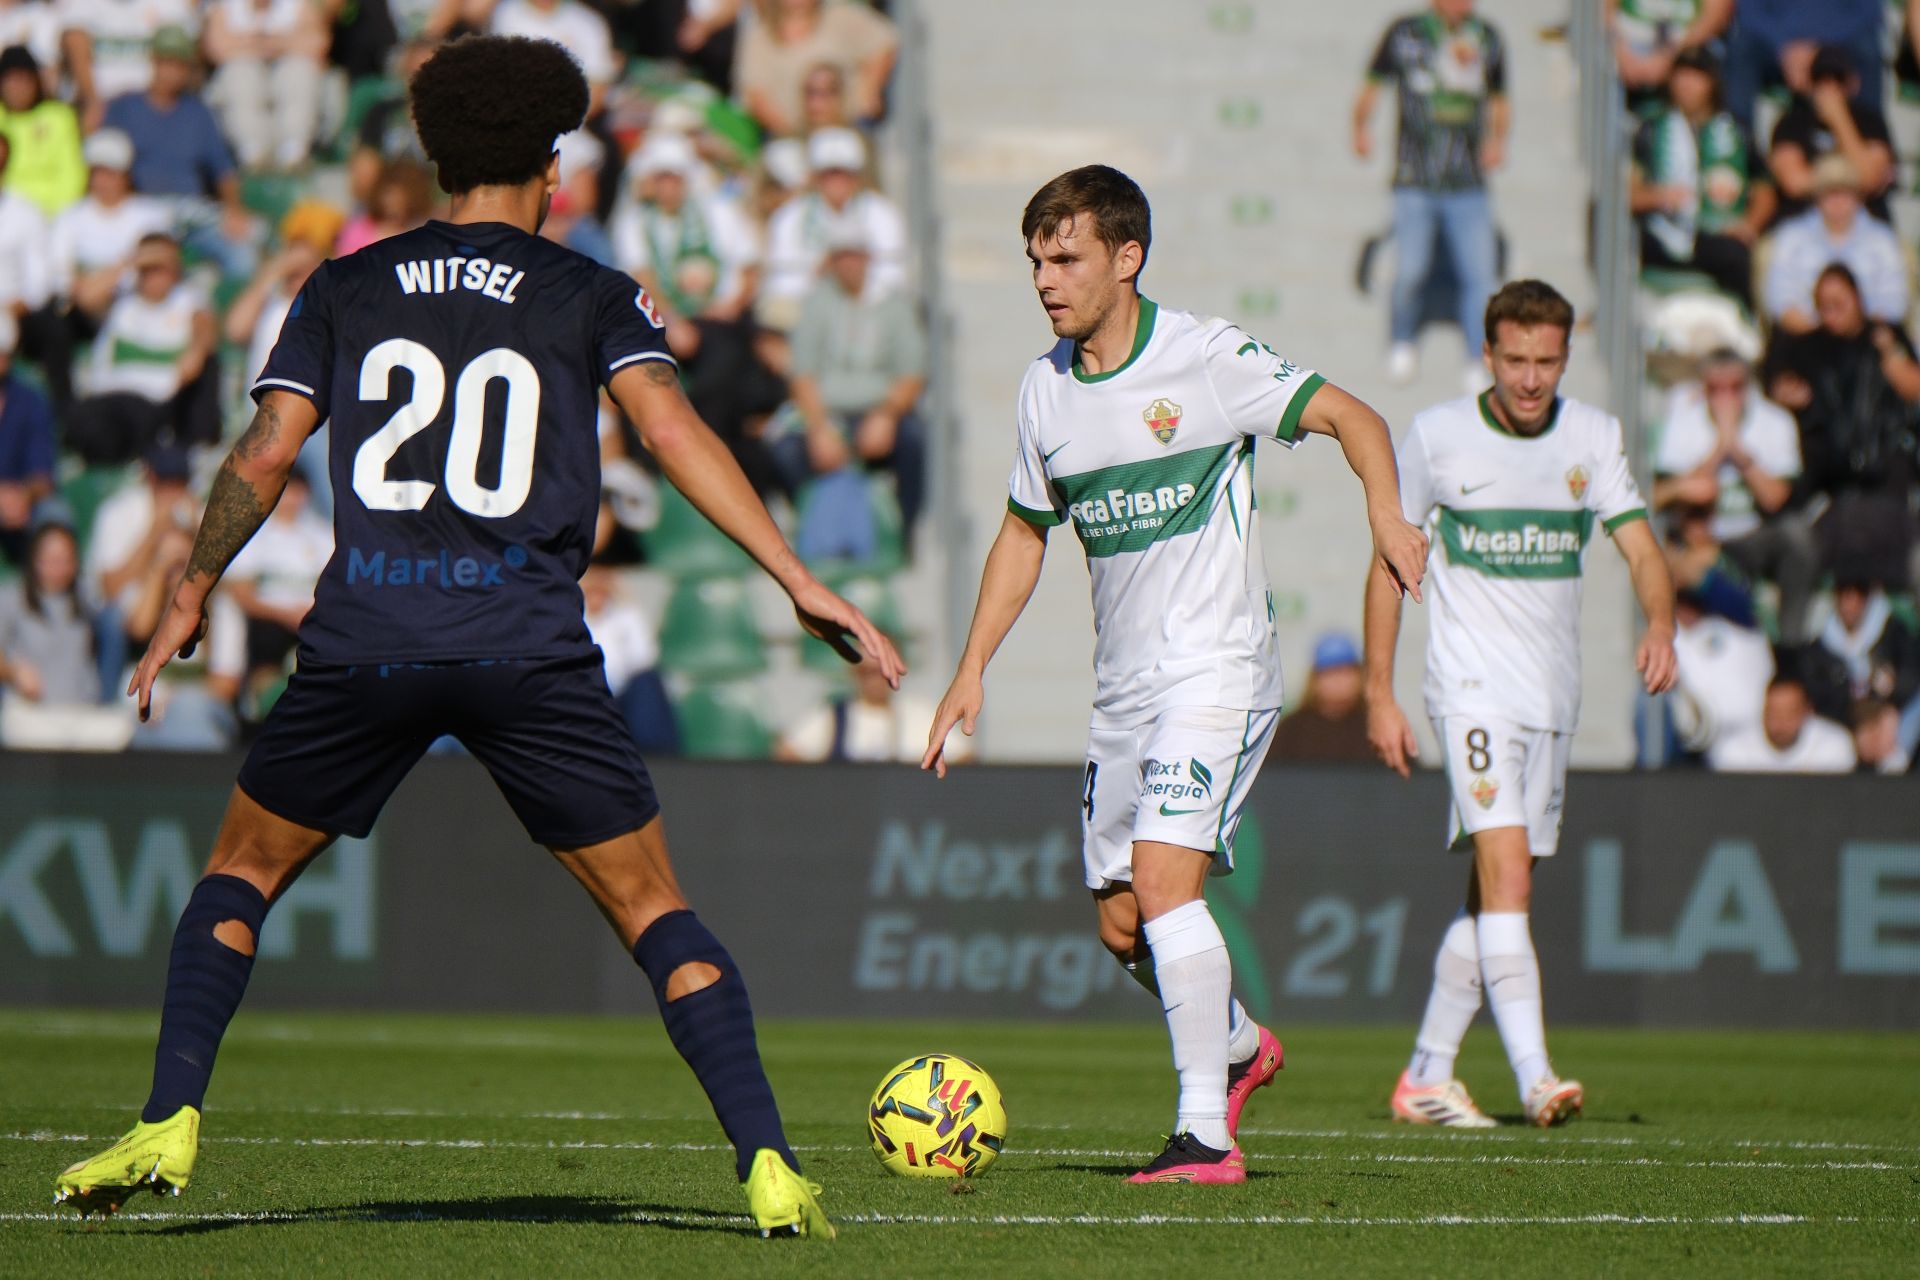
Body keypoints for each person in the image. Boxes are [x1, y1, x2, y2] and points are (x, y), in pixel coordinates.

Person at [51, 35, 900, 1240]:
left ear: (438, 160)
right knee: (652, 906)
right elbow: (672, 432)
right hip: (526, 646)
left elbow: (268, 450)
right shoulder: (591, 290)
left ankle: (167, 1117)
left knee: (238, 873)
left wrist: (191, 587)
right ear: (551, 166)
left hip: (367, 636)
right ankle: (767, 1161)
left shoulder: (344, 284)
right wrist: (800, 578)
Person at [922, 165, 1429, 1182]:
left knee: (1162, 883)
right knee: (1122, 923)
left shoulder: (1207, 357)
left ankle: (1206, 1134)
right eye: (1035, 260)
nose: (1045, 279)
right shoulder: (1044, 388)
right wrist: (971, 666)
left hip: (1218, 667)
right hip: (1124, 689)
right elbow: (1023, 534)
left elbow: (1357, 419)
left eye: (1065, 258)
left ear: (1127, 256)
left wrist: (1385, 511)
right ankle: (1236, 1041)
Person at [1366, 280, 1676, 1129]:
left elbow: (1642, 549)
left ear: (1566, 357)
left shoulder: (1593, 436)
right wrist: (1379, 691)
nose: (1531, 378)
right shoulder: (1438, 436)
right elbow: (1389, 564)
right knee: (1506, 876)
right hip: (1471, 691)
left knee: (1494, 892)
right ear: (1488, 355)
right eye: (1515, 360)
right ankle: (1536, 1077)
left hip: (1551, 699)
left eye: (1547, 361)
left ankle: (1425, 1076)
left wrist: (1660, 623)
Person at [1352, 0, 1508, 392]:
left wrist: (1497, 139)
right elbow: (1373, 82)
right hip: (1415, 178)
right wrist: (1360, 126)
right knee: (1410, 269)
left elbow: (1498, 97)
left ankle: (1477, 355)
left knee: (1480, 275)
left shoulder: (1487, 38)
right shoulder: (1405, 34)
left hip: (1468, 182)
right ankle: (1402, 338)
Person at [1764, 264, 1920, 592]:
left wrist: (1889, 354)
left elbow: (1913, 388)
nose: (1832, 314)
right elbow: (1774, 377)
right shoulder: (1808, 346)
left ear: (1858, 300)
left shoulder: (1885, 336)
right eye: (1824, 307)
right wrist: (1785, 390)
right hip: (1831, 478)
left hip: (1885, 469)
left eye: (1839, 304)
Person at [779, 222, 926, 557]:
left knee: (914, 440)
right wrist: (819, 427)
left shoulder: (894, 304)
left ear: (868, 258)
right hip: (826, 411)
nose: (849, 264)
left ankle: (903, 535)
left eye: (855, 255)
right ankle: (811, 530)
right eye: (841, 256)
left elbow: (913, 372)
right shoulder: (817, 302)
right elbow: (802, 373)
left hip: (879, 409)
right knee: (784, 451)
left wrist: (887, 415)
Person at [1651, 348, 1813, 641]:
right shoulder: (1684, 422)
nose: (1726, 398)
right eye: (1716, 389)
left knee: (1799, 539)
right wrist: (1718, 450)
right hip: (1699, 537)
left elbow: (1775, 499)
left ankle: (1792, 643)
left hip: (1754, 535)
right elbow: (1672, 490)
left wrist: (1738, 451)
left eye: (1735, 388)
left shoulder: (1775, 422)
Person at [101, 25, 258, 281]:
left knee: (245, 252)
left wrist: (234, 210)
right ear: (153, 62)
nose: (172, 72)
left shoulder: (198, 113)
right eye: (166, 63)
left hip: (190, 211)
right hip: (142, 209)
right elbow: (106, 163)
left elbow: (223, 169)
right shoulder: (124, 107)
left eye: (179, 65)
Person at [1629, 46, 1772, 302]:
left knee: (1737, 257)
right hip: (1663, 231)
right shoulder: (1651, 130)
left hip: (1718, 235)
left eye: (1696, 77)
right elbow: (1630, 192)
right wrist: (1659, 197)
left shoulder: (1737, 132)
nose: (1687, 85)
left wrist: (1749, 225)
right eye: (1681, 75)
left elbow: (1764, 187)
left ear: (1712, 83)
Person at [64, 232, 219, 464]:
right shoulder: (121, 301)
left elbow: (206, 329)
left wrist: (196, 351)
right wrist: (130, 262)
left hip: (154, 403)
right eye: (148, 267)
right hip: (107, 397)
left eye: (160, 267)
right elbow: (85, 297)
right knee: (81, 419)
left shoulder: (187, 300)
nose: (153, 275)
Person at [760, 125, 904, 329]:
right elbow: (781, 282)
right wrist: (820, 278)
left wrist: (851, 279)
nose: (836, 182)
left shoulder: (881, 213)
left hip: (869, 313)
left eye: (843, 174)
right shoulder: (790, 217)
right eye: (828, 174)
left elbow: (894, 275)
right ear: (814, 177)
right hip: (808, 313)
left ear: (857, 176)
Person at [1762, 155, 1905, 332]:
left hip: (1865, 338)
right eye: (1829, 194)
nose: (1837, 202)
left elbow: (1892, 301)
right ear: (1817, 198)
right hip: (1806, 336)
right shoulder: (1791, 236)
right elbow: (1781, 299)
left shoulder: (1881, 239)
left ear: (1858, 197)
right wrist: (1819, 335)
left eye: (1844, 193)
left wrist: (1857, 333)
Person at [1767, 45, 1896, 225]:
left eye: (1838, 79)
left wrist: (1839, 120)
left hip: (1863, 222)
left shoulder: (1871, 122)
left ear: (1853, 83)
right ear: (1810, 84)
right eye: (1821, 80)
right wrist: (1846, 178)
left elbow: (1868, 178)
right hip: (1803, 220)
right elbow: (1794, 182)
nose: (1830, 87)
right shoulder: (1790, 122)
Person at [202, 0, 332, 172]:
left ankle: (293, 151)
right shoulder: (226, 9)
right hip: (247, 75)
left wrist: (254, 43)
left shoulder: (299, 6)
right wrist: (280, 44)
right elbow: (216, 49)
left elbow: (318, 44)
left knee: (299, 71)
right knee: (240, 74)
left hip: (285, 73)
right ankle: (252, 152)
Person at [735, 0, 896, 139]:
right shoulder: (760, 37)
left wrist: (869, 90)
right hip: (792, 137)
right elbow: (754, 93)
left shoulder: (841, 17)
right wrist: (793, 137)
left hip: (852, 129)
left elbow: (885, 43)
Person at [778, 639, 953, 764]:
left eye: (881, 670)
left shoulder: (920, 717)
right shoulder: (833, 717)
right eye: (865, 672)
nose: (873, 680)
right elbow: (786, 754)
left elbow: (961, 759)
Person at [1793, 578, 1920, 727]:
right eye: (1844, 596)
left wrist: (1893, 688)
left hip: (1889, 717)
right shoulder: (1820, 644)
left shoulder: (1893, 633)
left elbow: (1910, 674)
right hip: (1839, 723)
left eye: (1857, 596)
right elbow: (1816, 693)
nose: (1849, 605)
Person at [1265, 631, 1376, 763]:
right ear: (1314, 680)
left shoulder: (1375, 729)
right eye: (1330, 672)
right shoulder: (1291, 731)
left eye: (1345, 671)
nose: (1338, 680)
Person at [0, 43, 83, 216]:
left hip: (52, 215)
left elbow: (71, 175)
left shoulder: (59, 117)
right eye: (12, 81)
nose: (18, 88)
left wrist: (48, 214)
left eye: (25, 80)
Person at [1709, 673, 1854, 771]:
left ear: (1807, 713)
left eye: (1790, 713)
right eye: (1772, 712)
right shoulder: (1734, 750)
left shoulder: (1834, 745)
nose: (1780, 722)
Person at [0, 309, 53, 566]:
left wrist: (23, 496)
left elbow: (43, 477)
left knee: (53, 516)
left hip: (19, 506)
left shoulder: (29, 400)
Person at [1849, 697, 1911, 775]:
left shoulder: (1891, 762)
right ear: (1870, 731)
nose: (1893, 744)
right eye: (1889, 734)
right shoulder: (1842, 756)